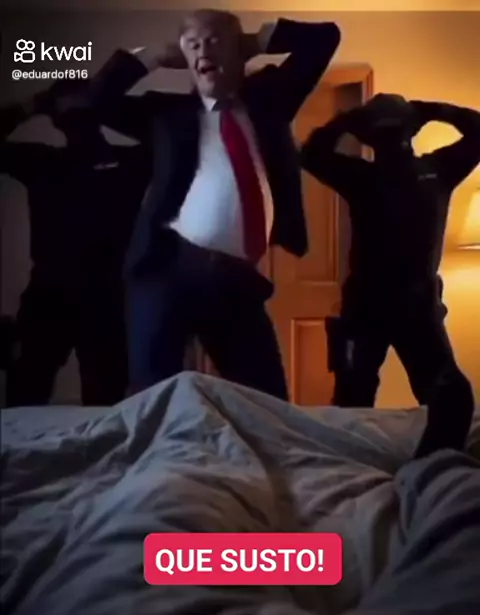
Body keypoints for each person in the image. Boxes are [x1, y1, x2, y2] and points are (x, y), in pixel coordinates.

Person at [84, 10, 341, 399]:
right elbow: (95, 100)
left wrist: (255, 42)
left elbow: (324, 39)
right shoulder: (165, 114)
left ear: (238, 51)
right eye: (193, 44)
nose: (203, 51)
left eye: (215, 41)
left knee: (267, 404)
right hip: (168, 271)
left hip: (237, 281)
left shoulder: (270, 100)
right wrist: (153, 56)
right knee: (153, 400)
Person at [300, 94, 479, 455]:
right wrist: (430, 111)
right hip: (385, 308)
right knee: (371, 397)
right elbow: (310, 155)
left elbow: (311, 153)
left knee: (422, 394)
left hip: (399, 307)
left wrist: (351, 119)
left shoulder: (379, 175)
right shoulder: (431, 171)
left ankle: (424, 464)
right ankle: (427, 465)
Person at [0, 80, 150, 406]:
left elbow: (169, 137)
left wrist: (106, 102)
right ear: (56, 119)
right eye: (67, 112)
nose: (76, 118)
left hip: (108, 300)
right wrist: (32, 105)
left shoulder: (132, 162)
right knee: (25, 393)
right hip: (49, 296)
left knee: (105, 403)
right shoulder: (43, 162)